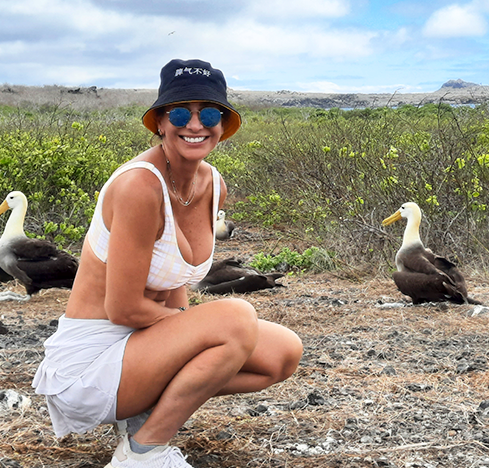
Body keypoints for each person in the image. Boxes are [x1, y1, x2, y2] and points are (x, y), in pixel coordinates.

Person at [32, 58, 303, 468]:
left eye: (209, 113)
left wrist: (189, 341)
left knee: (283, 353)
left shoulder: (213, 185)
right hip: (90, 367)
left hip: (141, 351)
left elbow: (176, 281)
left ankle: (142, 416)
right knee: (234, 319)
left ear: (223, 126)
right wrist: (194, 335)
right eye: (180, 112)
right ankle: (143, 451)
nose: (195, 124)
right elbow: (121, 309)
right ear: (160, 122)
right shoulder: (139, 186)